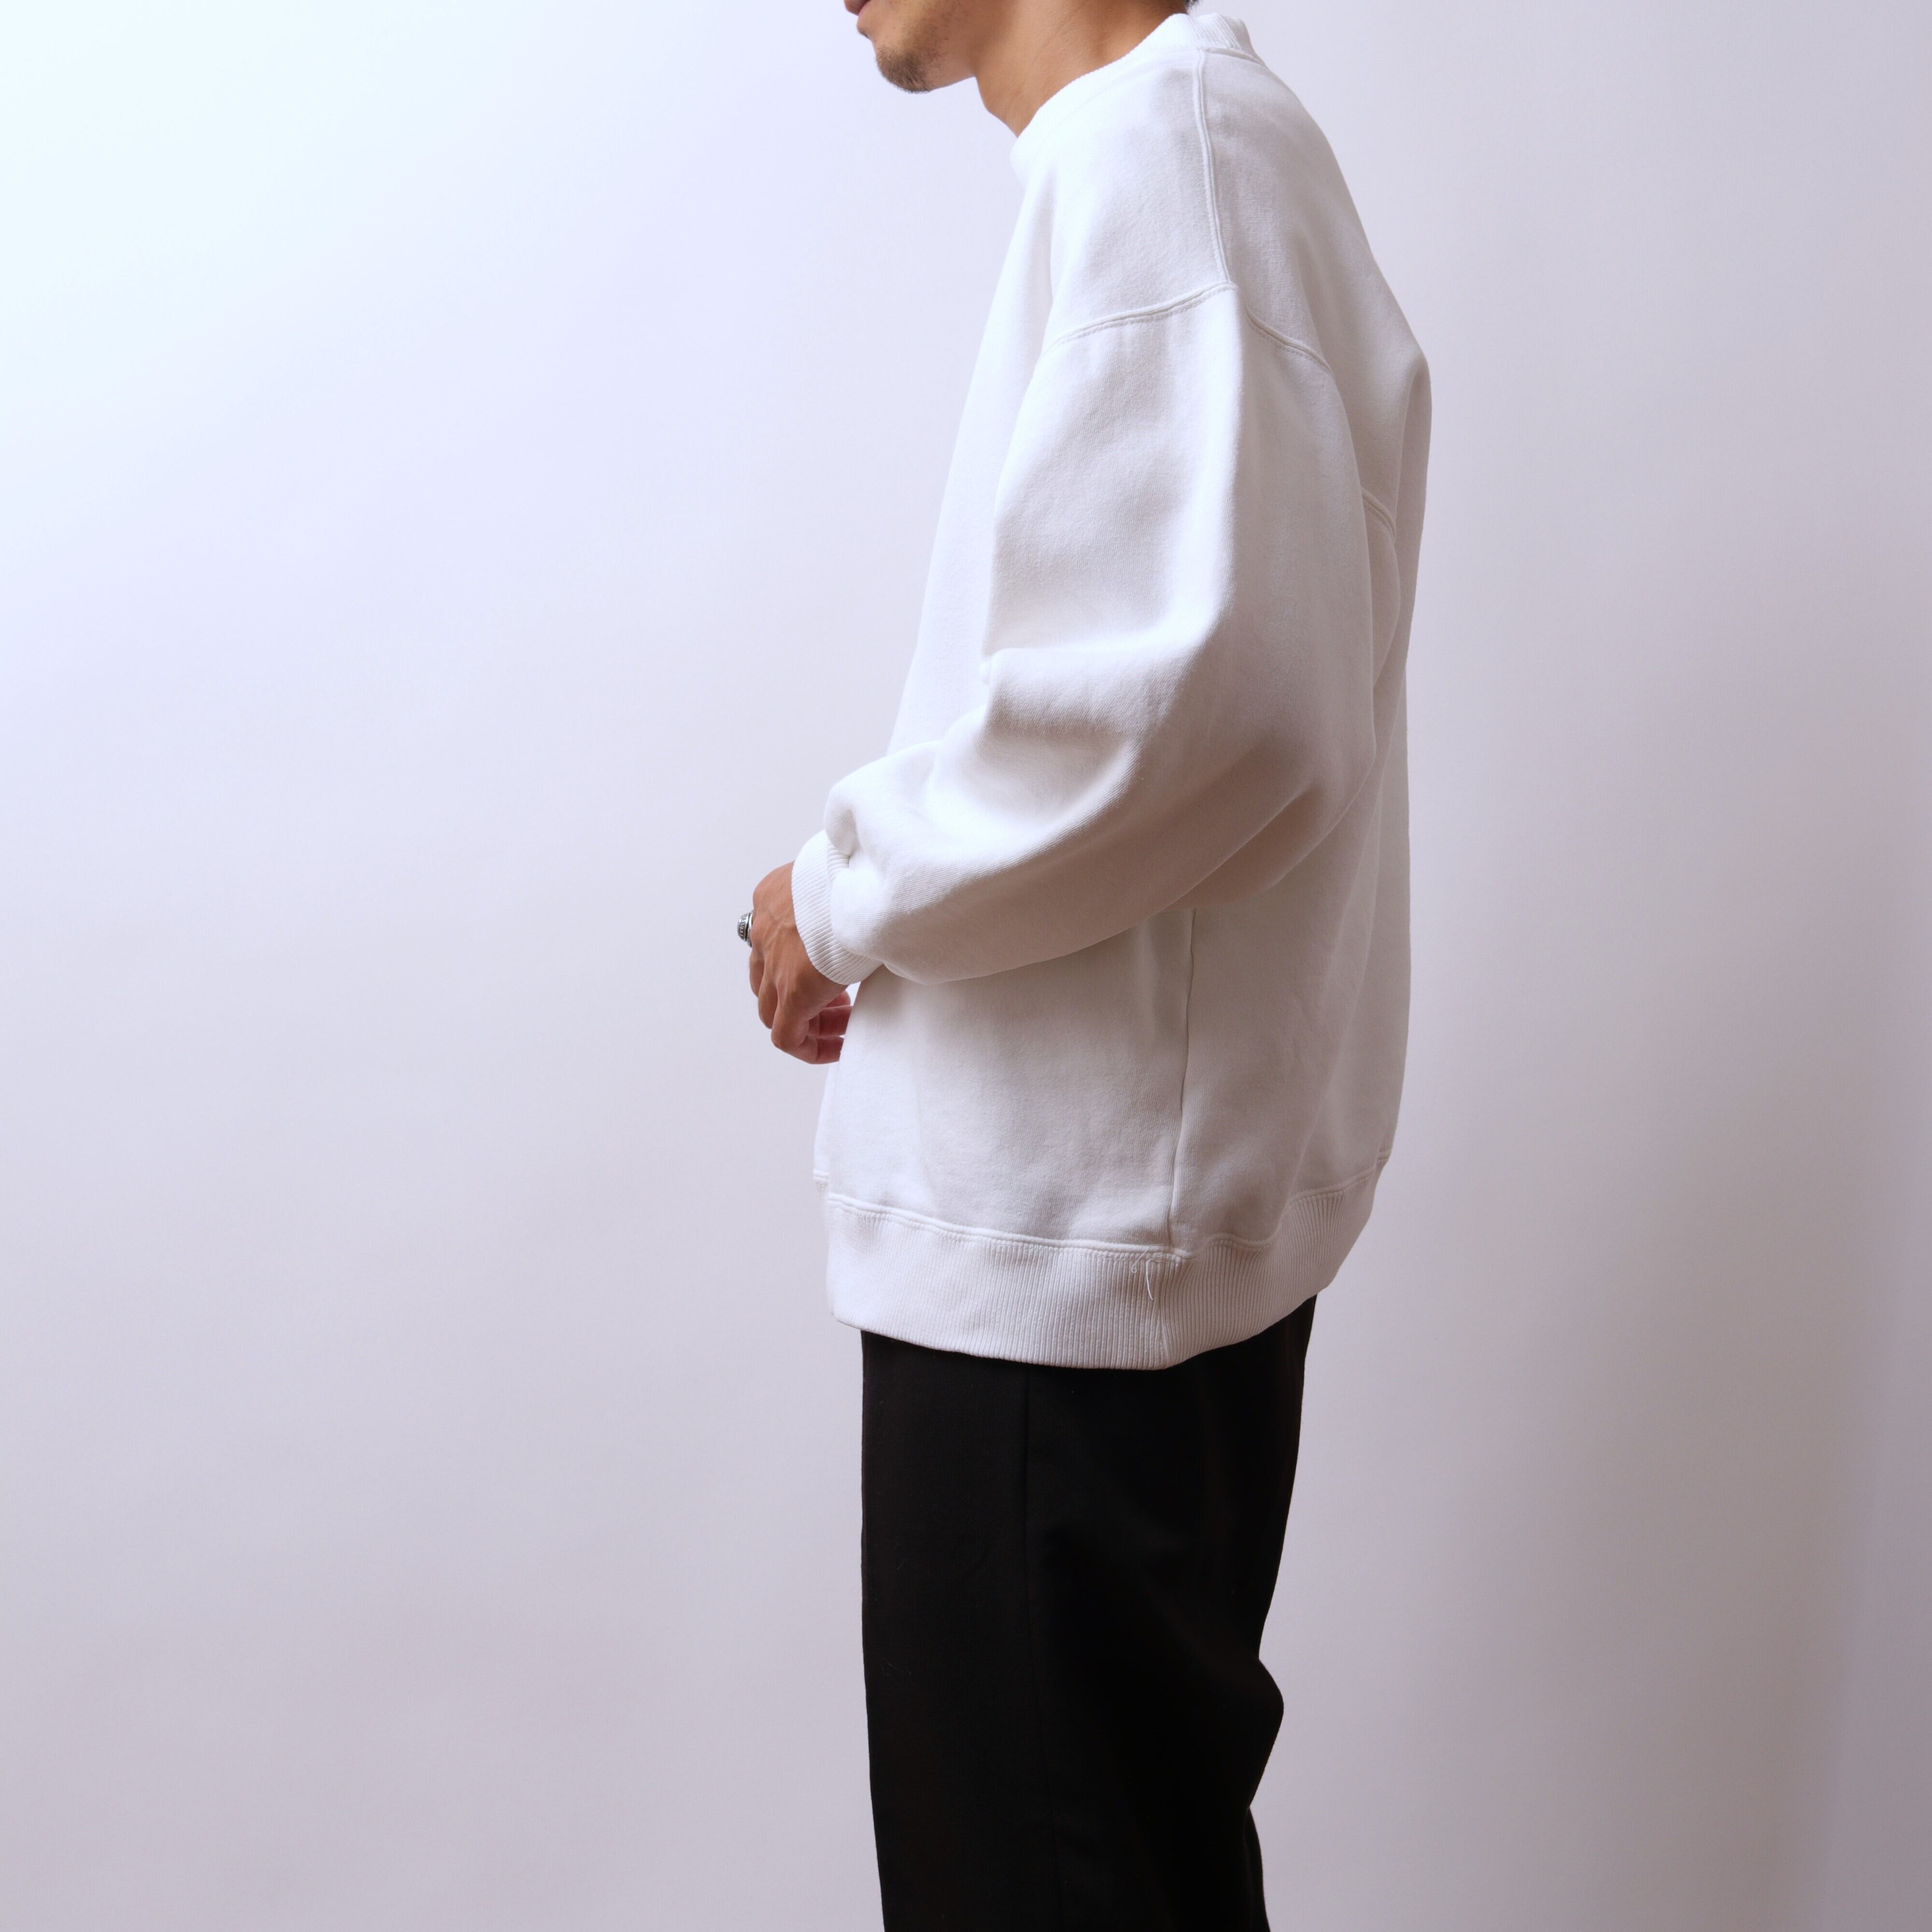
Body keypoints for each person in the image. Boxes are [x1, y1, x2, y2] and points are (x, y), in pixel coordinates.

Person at [743, 3, 1429, 1924]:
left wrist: (836, 889)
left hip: (1063, 1282)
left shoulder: (1165, 156)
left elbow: (1210, 714)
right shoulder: (1181, 158)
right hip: (1090, 1260)